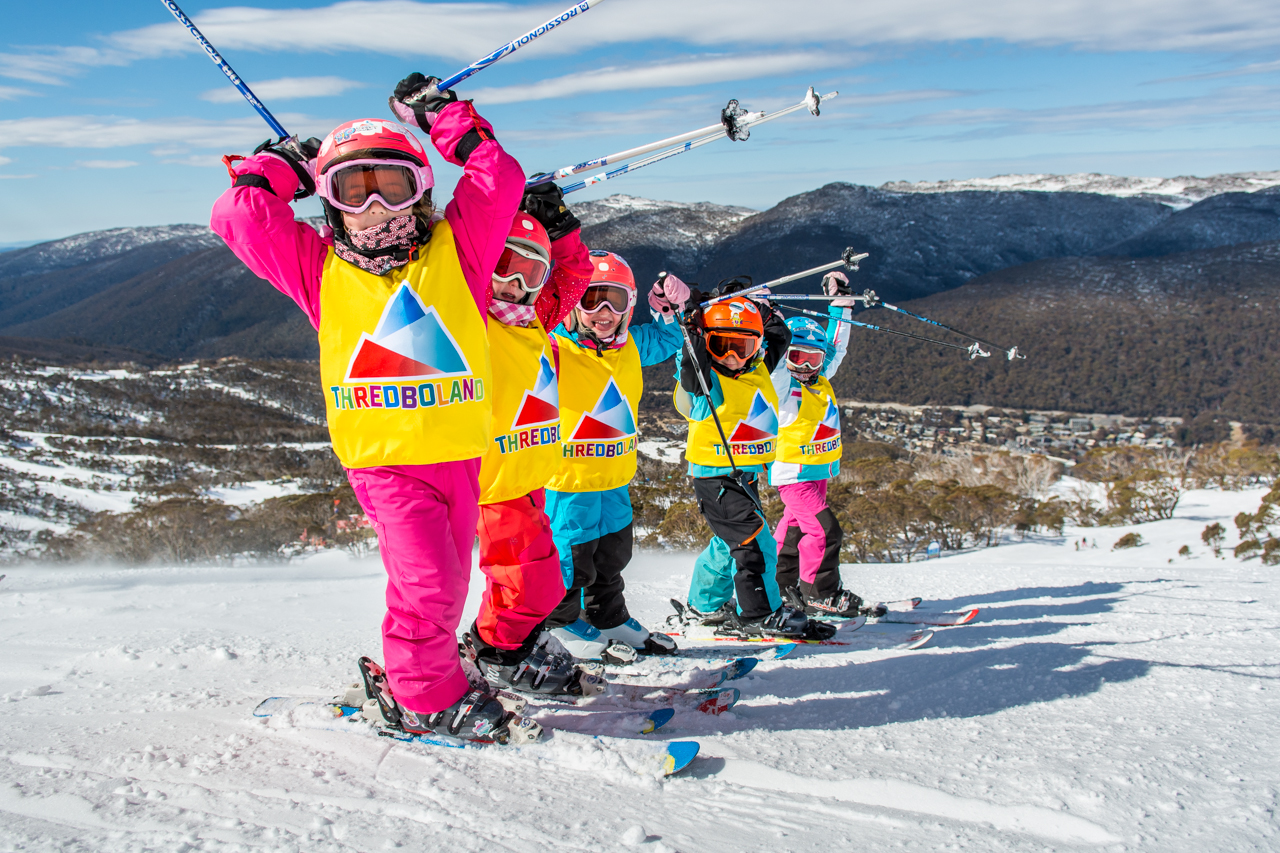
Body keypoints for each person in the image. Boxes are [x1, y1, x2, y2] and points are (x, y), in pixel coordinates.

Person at [210, 73, 525, 741]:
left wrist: (441, 119)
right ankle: (423, 694)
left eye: (395, 185)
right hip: (386, 463)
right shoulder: (318, 268)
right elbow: (237, 217)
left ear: (423, 190)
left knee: (447, 579)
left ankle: (433, 667)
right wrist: (280, 169)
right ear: (331, 204)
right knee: (429, 586)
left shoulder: (457, 252)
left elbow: (498, 176)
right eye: (356, 190)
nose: (378, 205)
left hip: (459, 452)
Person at [461, 182, 601, 695]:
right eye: (504, 265)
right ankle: (499, 652)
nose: (515, 282)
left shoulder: (534, 319)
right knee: (532, 586)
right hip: (494, 484)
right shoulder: (469, 318)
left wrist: (561, 231)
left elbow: (575, 275)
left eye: (531, 272)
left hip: (530, 476)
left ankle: (501, 644)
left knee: (529, 584)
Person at [541, 254, 688, 662]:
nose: (603, 313)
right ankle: (560, 621)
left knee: (613, 551)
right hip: (568, 479)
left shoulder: (632, 345)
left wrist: (670, 312)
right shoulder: (554, 344)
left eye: (615, 301)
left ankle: (608, 616)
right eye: (591, 301)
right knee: (572, 554)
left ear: (630, 304)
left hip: (615, 475)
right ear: (572, 305)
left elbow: (668, 341)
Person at [672, 278, 828, 639]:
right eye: (722, 347)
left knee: (728, 545)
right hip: (716, 477)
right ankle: (761, 613)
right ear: (708, 347)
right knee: (756, 544)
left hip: (745, 474)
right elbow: (691, 356)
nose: (733, 357)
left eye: (743, 347)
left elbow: (780, 337)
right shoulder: (705, 380)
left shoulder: (758, 368)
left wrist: (756, 306)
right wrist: (695, 318)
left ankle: (704, 606)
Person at [770, 271, 863, 617]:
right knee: (825, 531)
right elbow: (778, 358)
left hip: (817, 470)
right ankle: (820, 591)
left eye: (813, 359)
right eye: (797, 358)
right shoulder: (782, 386)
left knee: (793, 530)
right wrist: (772, 324)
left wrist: (841, 305)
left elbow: (836, 345)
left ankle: (781, 584)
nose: (806, 367)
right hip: (794, 475)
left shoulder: (820, 377)